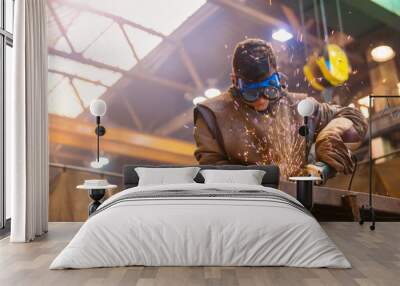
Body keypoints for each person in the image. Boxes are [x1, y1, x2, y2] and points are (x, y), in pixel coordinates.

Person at [193, 38, 367, 182]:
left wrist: (329, 136)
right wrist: (268, 178)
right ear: (234, 80)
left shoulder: (299, 106)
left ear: (277, 76)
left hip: (299, 205)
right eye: (251, 93)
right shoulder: (211, 114)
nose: (261, 99)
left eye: (268, 88)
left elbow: (353, 117)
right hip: (244, 208)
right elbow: (211, 173)